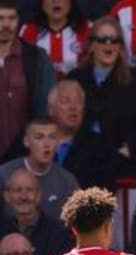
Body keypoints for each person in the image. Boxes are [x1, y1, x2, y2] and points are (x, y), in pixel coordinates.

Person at [66, 16, 135, 158]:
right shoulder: (75, 78)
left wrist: (131, 146)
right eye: (103, 40)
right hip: (80, 156)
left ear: (120, 46)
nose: (108, 46)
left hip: (118, 157)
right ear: (92, 45)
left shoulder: (135, 80)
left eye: (114, 41)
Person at [0, 0, 55, 160]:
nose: (6, 25)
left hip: (24, 157)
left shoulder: (37, 58)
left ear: (18, 21)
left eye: (11, 18)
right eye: (1, 19)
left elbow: (46, 111)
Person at [0, 116, 79, 220]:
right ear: (26, 141)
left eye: (52, 137)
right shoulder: (4, 174)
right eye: (39, 137)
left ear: (58, 142)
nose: (47, 144)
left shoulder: (67, 182)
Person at [49, 78, 119, 191]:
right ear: (51, 109)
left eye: (78, 102)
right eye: (66, 101)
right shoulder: (32, 142)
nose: (73, 107)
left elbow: (104, 194)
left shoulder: (100, 148)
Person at [0, 167, 71, 255]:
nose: (24, 196)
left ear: (38, 195)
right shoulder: (2, 229)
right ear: (7, 196)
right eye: (18, 190)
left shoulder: (58, 233)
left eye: (29, 190)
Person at [18, 0, 90, 78]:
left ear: (71, 3)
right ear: (42, 3)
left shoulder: (87, 30)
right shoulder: (28, 31)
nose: (56, 1)